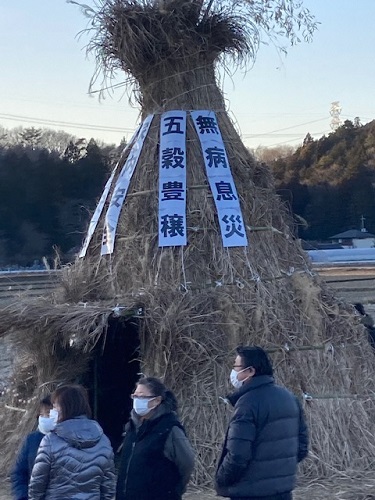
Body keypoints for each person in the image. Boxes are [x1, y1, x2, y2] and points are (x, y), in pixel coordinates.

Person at [215, 346, 309, 500]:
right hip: (283, 491)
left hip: (250, 492)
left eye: (236, 367)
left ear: (251, 371)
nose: (232, 372)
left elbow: (237, 455)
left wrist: (222, 479)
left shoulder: (247, 404)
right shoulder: (289, 398)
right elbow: (302, 447)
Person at [28, 384, 115, 499]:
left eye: (55, 407)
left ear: (66, 407)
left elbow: (37, 487)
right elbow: (108, 489)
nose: (53, 411)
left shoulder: (50, 441)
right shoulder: (103, 442)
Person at [116, 376, 195, 500]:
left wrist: (174, 490)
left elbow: (187, 464)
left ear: (156, 400)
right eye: (135, 396)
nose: (136, 400)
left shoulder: (169, 429)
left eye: (141, 396)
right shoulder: (131, 428)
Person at [11, 396, 54, 500]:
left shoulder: (68, 440)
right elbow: (19, 473)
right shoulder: (31, 440)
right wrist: (22, 496)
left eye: (49, 413)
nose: (44, 417)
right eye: (41, 414)